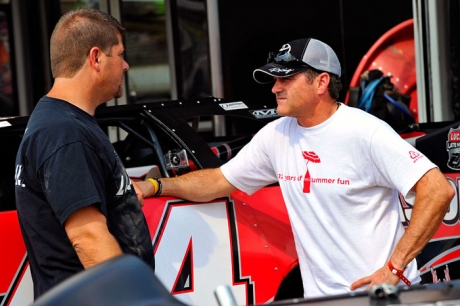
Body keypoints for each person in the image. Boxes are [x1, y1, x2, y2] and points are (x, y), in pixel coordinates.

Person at [149, 38, 455, 298]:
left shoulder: (365, 133)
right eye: (274, 79)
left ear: (322, 82)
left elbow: (437, 190)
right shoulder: (277, 134)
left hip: (381, 297)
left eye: (286, 79)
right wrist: (155, 186)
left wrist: (394, 269)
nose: (275, 88)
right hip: (322, 301)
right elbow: (217, 181)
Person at [14, 8, 156, 299]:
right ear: (96, 58)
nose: (126, 65)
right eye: (119, 54)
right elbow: (88, 237)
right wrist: (135, 300)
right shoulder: (65, 133)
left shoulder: (58, 122)